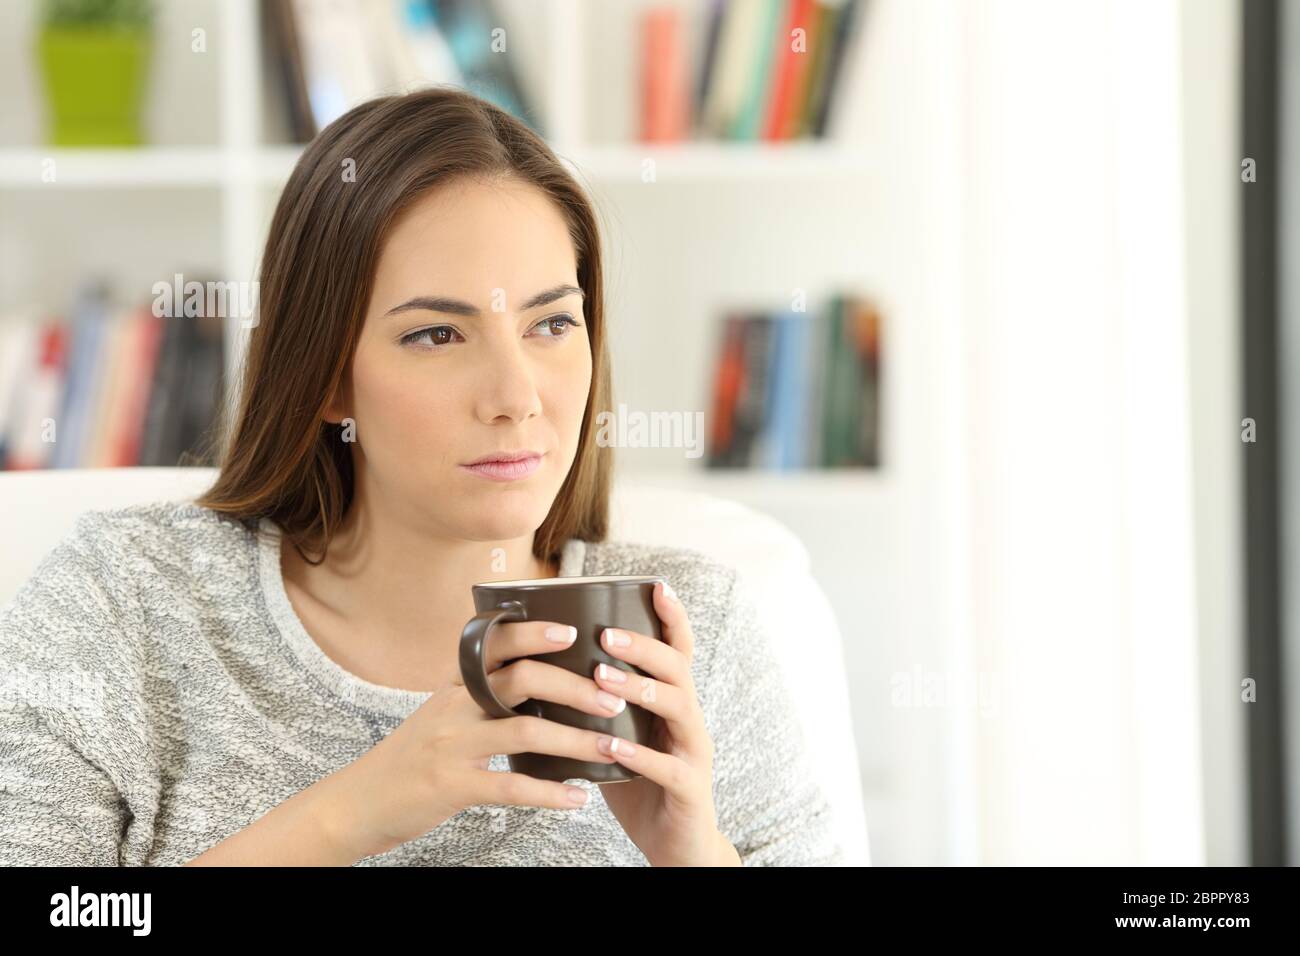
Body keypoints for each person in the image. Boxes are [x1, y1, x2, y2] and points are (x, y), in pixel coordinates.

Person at [0, 87, 843, 867]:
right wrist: (352, 813)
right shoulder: (131, 599)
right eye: (438, 335)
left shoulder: (695, 634)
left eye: (552, 322)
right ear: (328, 376)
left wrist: (694, 856)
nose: (517, 397)